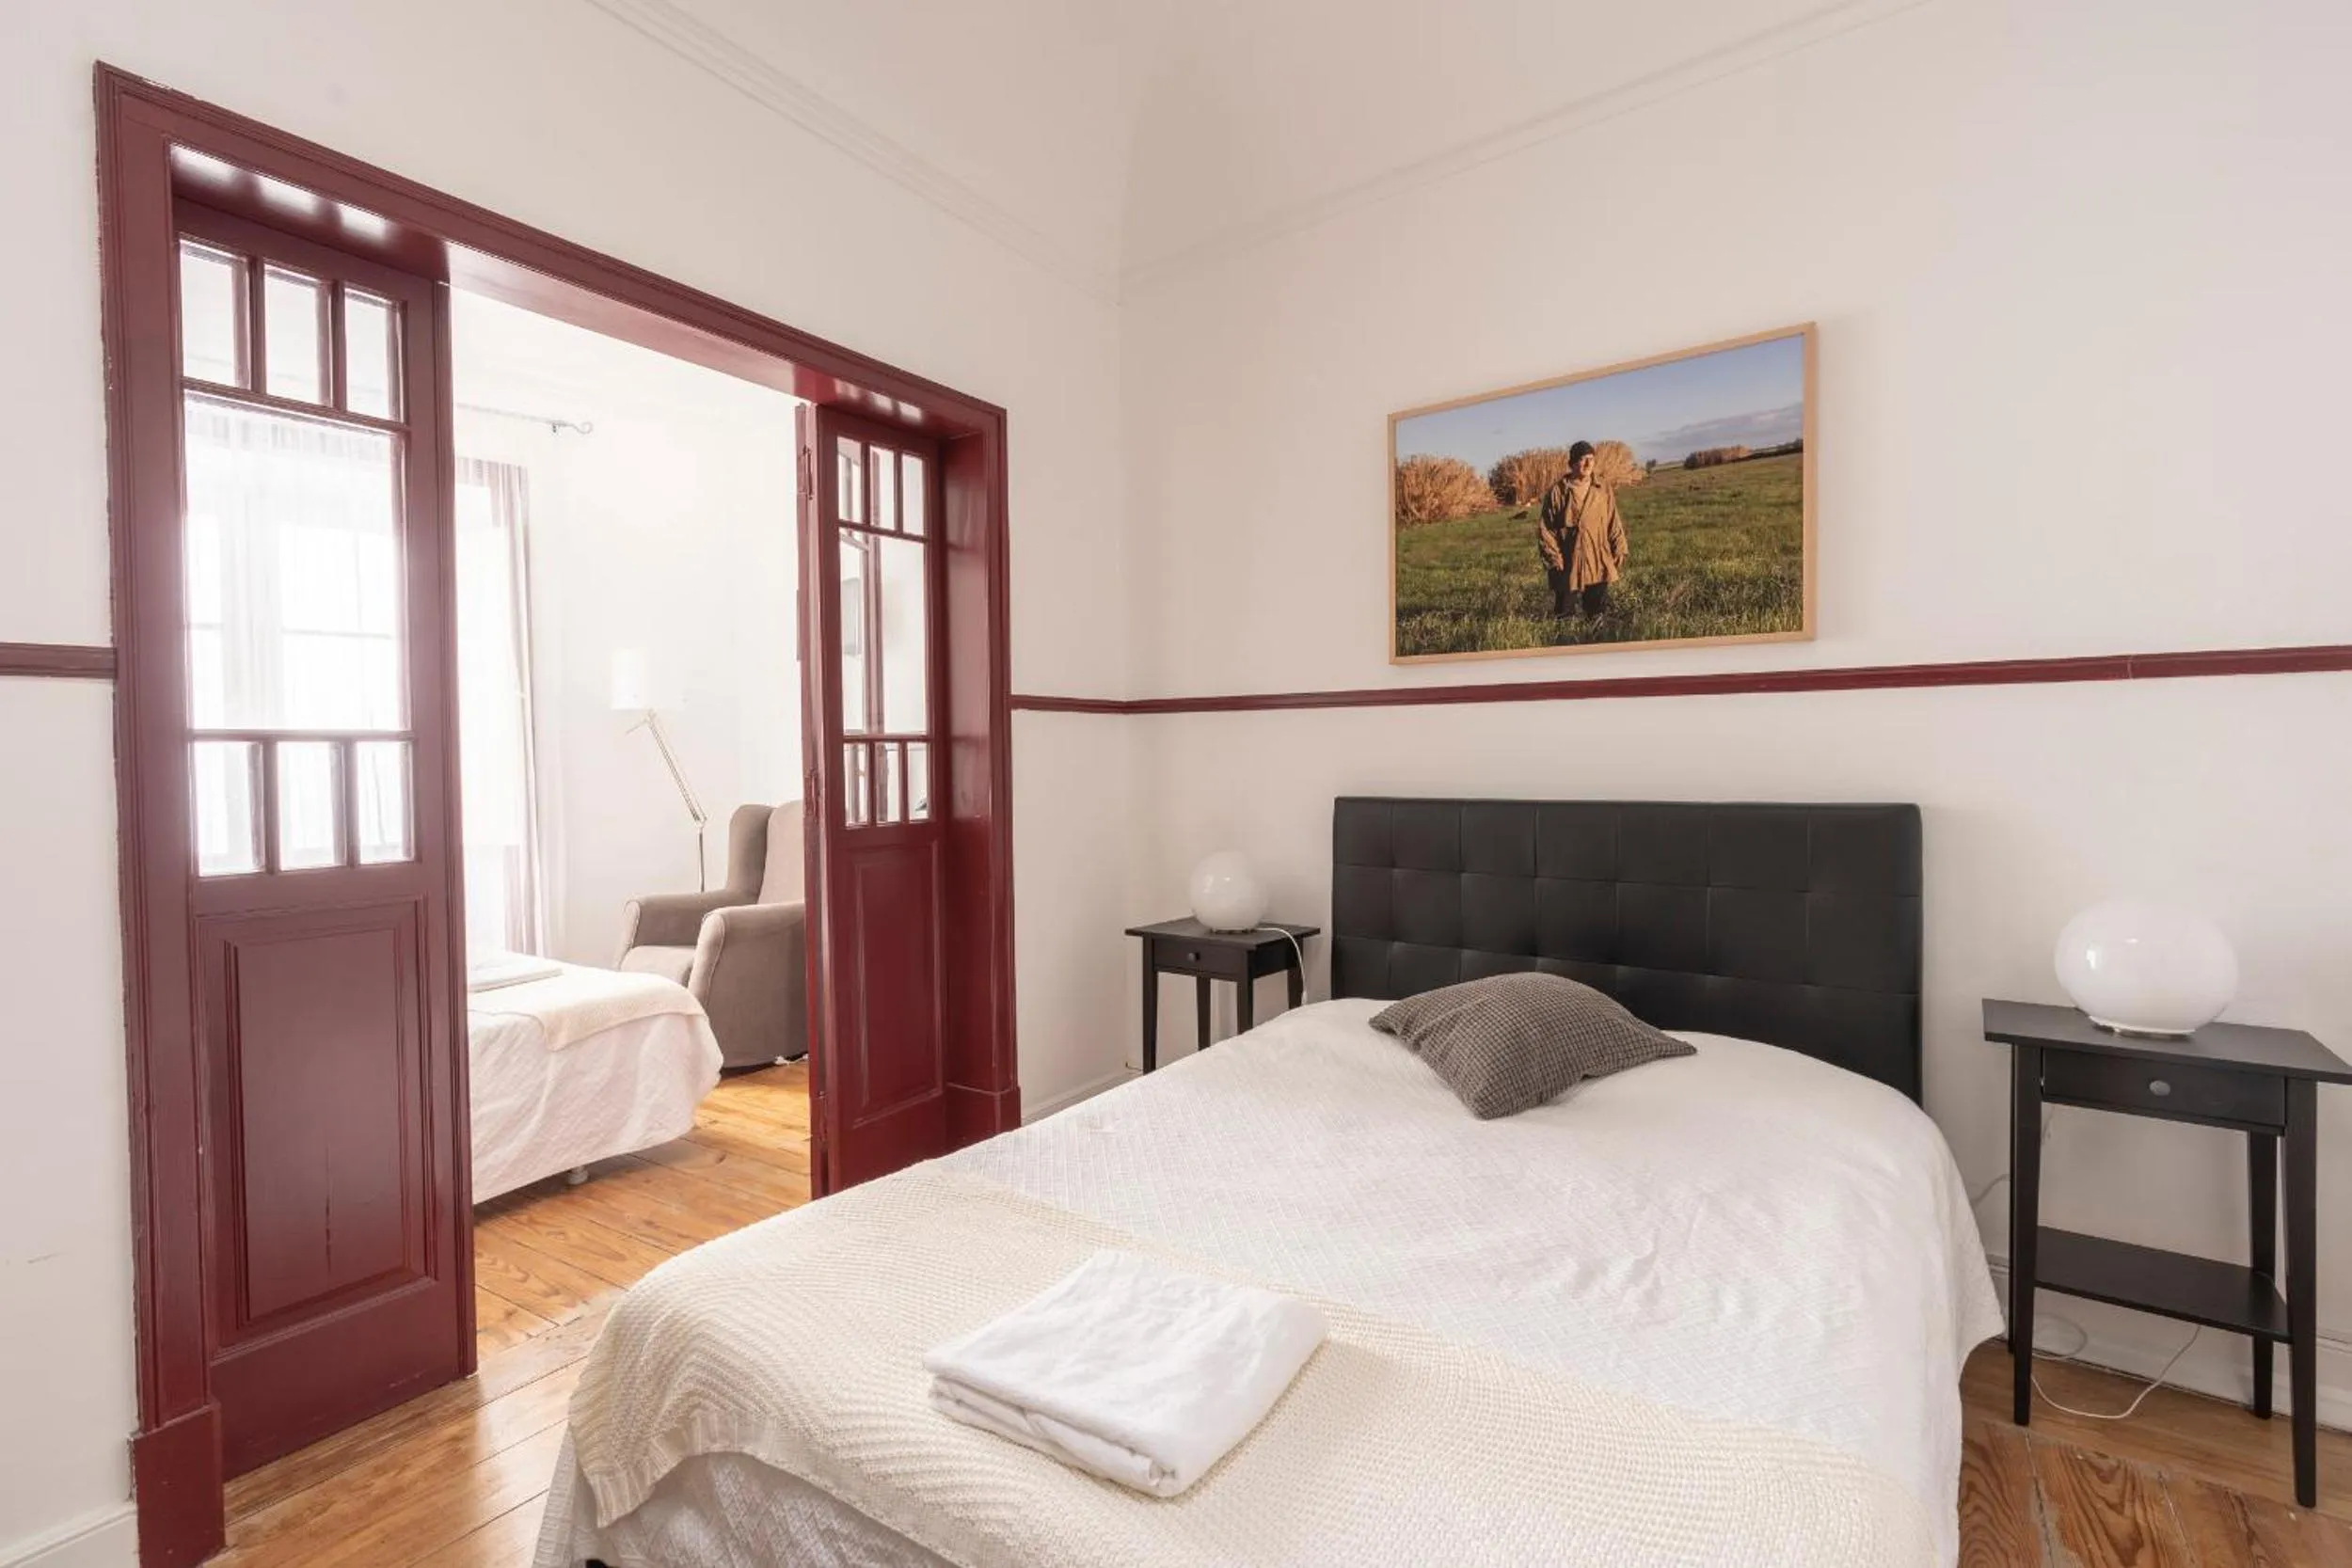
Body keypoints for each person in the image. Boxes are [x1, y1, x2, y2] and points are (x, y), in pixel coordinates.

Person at [1532, 440, 1629, 619]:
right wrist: (1554, 557)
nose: (1588, 464)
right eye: (1583, 459)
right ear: (1572, 463)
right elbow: (1546, 528)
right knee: (1564, 612)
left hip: (1597, 556)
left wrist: (1619, 546)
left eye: (1591, 459)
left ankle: (1595, 640)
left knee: (1597, 612)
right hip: (1568, 560)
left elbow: (1613, 520)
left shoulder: (1602, 489)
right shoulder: (1558, 492)